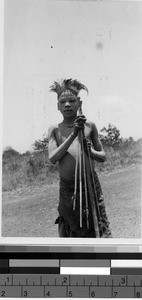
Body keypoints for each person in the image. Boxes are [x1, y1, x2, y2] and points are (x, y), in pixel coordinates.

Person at [48, 79, 112, 237]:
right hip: (68, 188)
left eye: (72, 100)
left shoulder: (90, 126)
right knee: (71, 226)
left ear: (79, 103)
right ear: (58, 106)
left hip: (91, 185)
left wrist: (90, 152)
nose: (67, 104)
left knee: (98, 222)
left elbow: (102, 157)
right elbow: (53, 158)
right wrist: (73, 135)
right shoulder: (55, 129)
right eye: (62, 102)